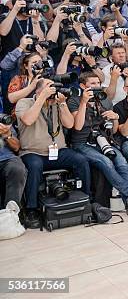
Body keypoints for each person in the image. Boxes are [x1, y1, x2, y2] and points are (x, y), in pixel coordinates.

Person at [15, 79, 91, 229]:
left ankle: (85, 199)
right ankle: (31, 210)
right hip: (33, 152)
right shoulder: (24, 103)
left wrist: (62, 104)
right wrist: (42, 98)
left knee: (81, 160)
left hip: (58, 151)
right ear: (38, 91)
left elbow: (70, 124)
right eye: (49, 88)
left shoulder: (56, 104)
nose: (53, 91)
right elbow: (28, 120)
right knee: (34, 165)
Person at [68, 72, 128, 215]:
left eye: (98, 83)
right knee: (105, 162)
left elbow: (113, 130)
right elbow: (78, 126)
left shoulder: (104, 100)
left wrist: (115, 118)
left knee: (122, 163)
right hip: (82, 142)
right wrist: (84, 102)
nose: (97, 87)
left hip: (103, 140)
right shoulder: (74, 100)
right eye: (92, 84)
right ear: (83, 86)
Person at [0, 121, 27, 210]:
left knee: (17, 168)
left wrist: (7, 134)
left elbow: (16, 147)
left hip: (6, 158)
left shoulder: (2, 120)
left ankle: (11, 214)